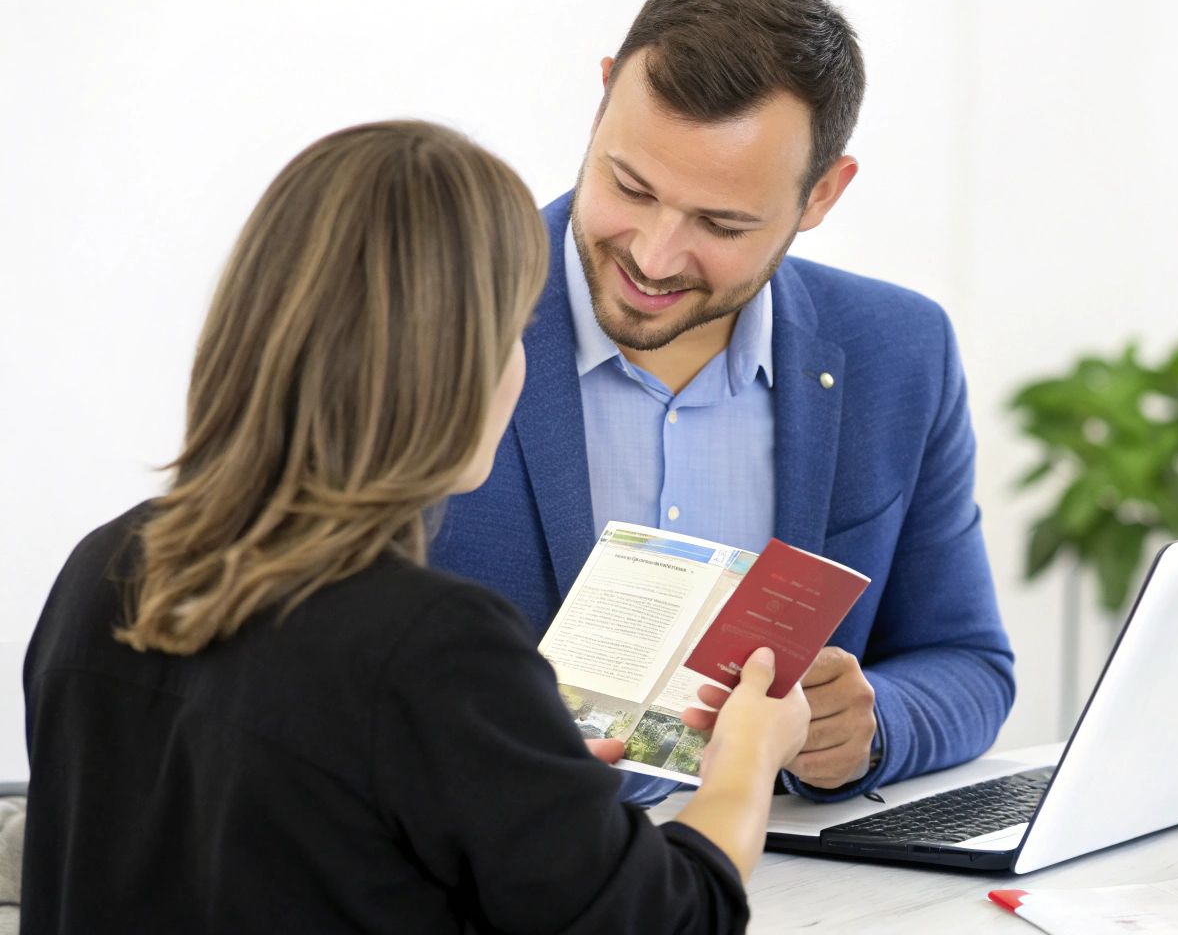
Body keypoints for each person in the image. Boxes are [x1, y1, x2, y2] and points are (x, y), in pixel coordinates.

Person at [23, 121, 807, 933]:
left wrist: (520, 777)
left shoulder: (103, 567)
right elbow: (670, 922)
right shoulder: (432, 645)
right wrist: (744, 762)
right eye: (510, 333)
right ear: (457, 365)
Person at [431, 0, 1015, 805]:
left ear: (821, 194)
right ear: (601, 103)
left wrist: (871, 722)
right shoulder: (432, 314)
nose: (654, 256)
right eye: (629, 186)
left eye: (721, 223)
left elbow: (969, 662)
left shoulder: (897, 352)